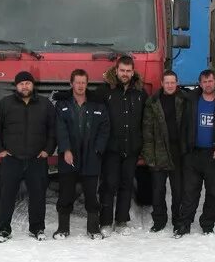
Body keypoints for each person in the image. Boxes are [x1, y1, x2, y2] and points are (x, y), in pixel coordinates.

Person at [0, 70, 56, 243]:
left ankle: (37, 228)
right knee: (7, 196)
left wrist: (47, 150)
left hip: (37, 159)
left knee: (38, 196)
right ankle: (3, 230)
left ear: (33, 85)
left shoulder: (44, 104)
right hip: (12, 159)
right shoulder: (5, 104)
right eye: (21, 83)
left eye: (27, 83)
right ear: (16, 86)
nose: (25, 86)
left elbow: (53, 130)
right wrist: (0, 150)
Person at [93, 55, 148, 236]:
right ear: (116, 70)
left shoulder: (140, 93)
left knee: (126, 185)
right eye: (122, 70)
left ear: (133, 72)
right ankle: (106, 222)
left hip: (131, 148)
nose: (125, 74)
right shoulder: (104, 91)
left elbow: (150, 115)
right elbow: (84, 98)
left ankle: (122, 221)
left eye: (128, 71)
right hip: (111, 148)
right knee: (109, 184)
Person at [53, 69, 110, 240]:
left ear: (87, 84)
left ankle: (93, 229)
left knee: (92, 195)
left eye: (83, 82)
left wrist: (98, 150)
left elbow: (105, 128)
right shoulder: (62, 105)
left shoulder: (97, 105)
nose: (80, 86)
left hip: (91, 156)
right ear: (71, 84)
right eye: (77, 82)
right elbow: (60, 129)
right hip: (69, 157)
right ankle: (62, 229)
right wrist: (66, 149)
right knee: (65, 194)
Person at [175, 69, 215, 237]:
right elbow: (172, 89)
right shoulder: (191, 99)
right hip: (193, 153)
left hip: (213, 154)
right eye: (205, 81)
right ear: (200, 83)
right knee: (190, 192)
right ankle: (184, 224)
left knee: (213, 192)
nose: (208, 84)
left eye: (211, 81)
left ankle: (207, 223)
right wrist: (185, 151)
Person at [142, 70, 189, 233]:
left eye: (172, 82)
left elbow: (205, 92)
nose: (170, 85)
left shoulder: (185, 99)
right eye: (167, 82)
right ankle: (159, 221)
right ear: (161, 83)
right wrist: (149, 155)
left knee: (178, 191)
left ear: (177, 83)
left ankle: (178, 220)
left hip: (178, 153)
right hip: (158, 152)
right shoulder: (152, 101)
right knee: (158, 190)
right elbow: (147, 130)